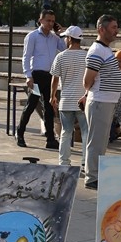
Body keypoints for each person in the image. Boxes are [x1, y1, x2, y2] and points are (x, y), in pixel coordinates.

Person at [81, 14, 121, 190]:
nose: (116, 31)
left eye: (116, 27)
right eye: (113, 27)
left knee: (101, 141)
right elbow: (87, 80)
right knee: (96, 141)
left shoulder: (104, 50)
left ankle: (95, 174)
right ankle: (92, 177)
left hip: (105, 101)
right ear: (101, 29)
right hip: (99, 102)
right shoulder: (97, 51)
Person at [17, 9, 65, 149]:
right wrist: (28, 75)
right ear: (41, 20)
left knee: (50, 108)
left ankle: (50, 138)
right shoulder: (32, 36)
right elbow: (26, 56)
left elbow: (64, 49)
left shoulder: (54, 37)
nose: (50, 23)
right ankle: (20, 133)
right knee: (31, 105)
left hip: (50, 76)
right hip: (37, 75)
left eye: (52, 21)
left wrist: (60, 33)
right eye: (48, 20)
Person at [49, 25, 89, 175]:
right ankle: (85, 163)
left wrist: (52, 96)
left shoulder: (61, 56)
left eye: (66, 37)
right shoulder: (87, 56)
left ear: (70, 39)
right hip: (83, 101)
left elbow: (55, 79)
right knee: (85, 132)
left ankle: (64, 162)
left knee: (66, 132)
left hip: (66, 100)